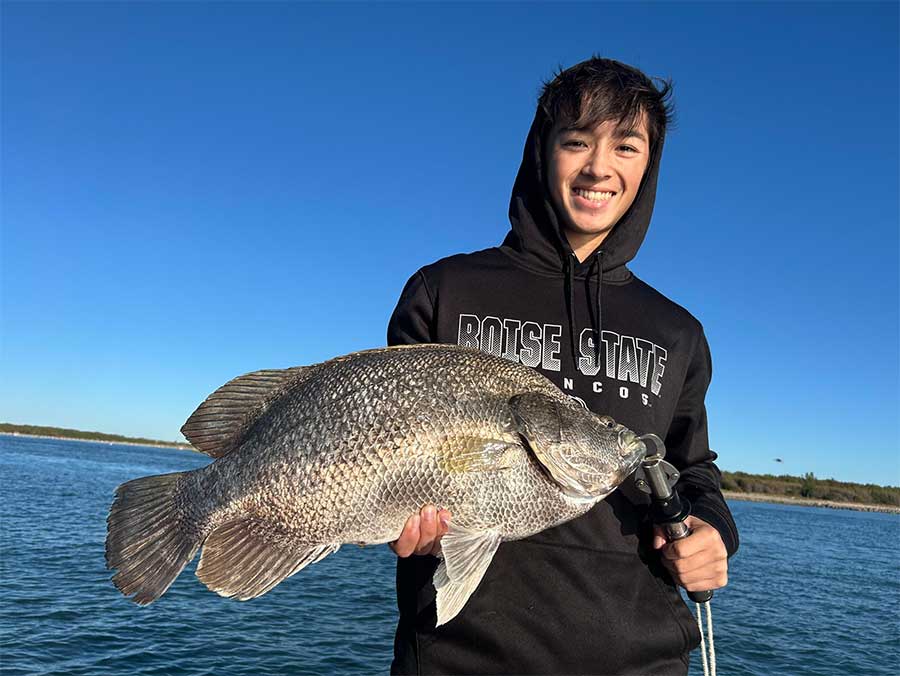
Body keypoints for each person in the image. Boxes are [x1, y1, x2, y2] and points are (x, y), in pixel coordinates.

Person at [385, 56, 739, 675]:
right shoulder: (445, 290)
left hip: (641, 660)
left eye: (626, 146)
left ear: (648, 164)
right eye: (577, 142)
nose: (600, 167)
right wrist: (398, 510)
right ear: (540, 152)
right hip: (457, 659)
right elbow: (380, 437)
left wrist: (712, 528)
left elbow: (692, 468)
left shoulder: (678, 331)